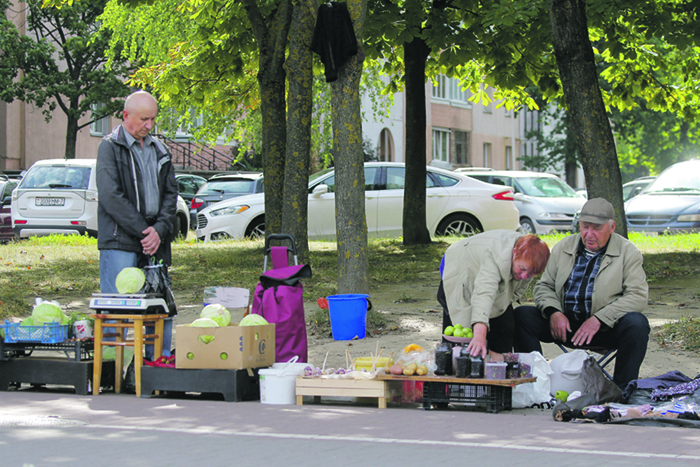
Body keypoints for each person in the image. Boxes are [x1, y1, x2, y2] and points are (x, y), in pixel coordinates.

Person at [514, 198, 650, 390]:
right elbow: (544, 287)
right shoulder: (564, 247)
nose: (589, 234)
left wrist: (600, 319)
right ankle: (534, 384)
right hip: (565, 326)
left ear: (612, 227)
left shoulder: (628, 252)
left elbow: (637, 296)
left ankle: (622, 391)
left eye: (596, 228)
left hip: (604, 329)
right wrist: (554, 312)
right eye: (585, 227)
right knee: (521, 315)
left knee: (637, 324)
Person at [96, 90, 178, 360]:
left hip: (156, 240)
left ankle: (158, 366)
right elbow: (110, 196)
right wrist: (146, 232)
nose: (149, 126)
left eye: (153, 119)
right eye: (144, 119)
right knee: (116, 310)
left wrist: (160, 231)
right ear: (125, 115)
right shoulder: (109, 146)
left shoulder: (160, 149)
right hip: (121, 240)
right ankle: (109, 370)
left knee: (160, 307)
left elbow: (171, 196)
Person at [437, 230, 551, 359]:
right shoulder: (495, 256)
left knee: (504, 326)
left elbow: (514, 293)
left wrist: (505, 301)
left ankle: (498, 369)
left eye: (530, 274)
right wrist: (480, 335)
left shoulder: (529, 261)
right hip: (459, 263)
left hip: (488, 267)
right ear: (514, 253)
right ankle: (449, 370)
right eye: (522, 269)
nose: (525, 276)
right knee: (459, 337)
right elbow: (483, 293)